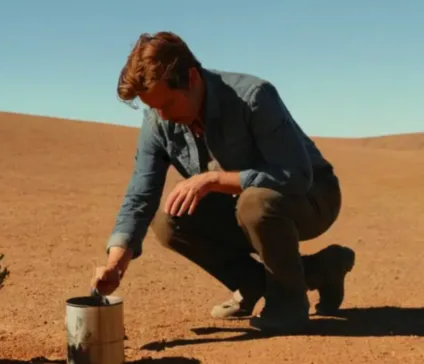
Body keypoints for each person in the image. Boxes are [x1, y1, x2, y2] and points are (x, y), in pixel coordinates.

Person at [90, 31, 355, 333]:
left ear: (191, 78)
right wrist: (115, 264)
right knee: (170, 222)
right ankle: (280, 277)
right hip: (241, 207)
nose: (161, 116)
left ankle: (288, 303)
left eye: (167, 104)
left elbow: (295, 174)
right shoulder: (159, 120)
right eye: (153, 108)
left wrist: (215, 179)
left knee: (254, 202)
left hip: (311, 197)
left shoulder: (252, 97)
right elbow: (141, 194)